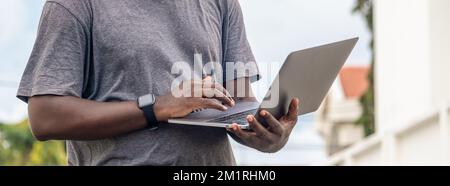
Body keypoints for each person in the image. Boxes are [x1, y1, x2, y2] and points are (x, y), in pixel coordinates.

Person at [17, 0, 300, 166]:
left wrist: (269, 137)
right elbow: (45, 118)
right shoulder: (74, 6)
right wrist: (157, 107)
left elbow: (240, 104)